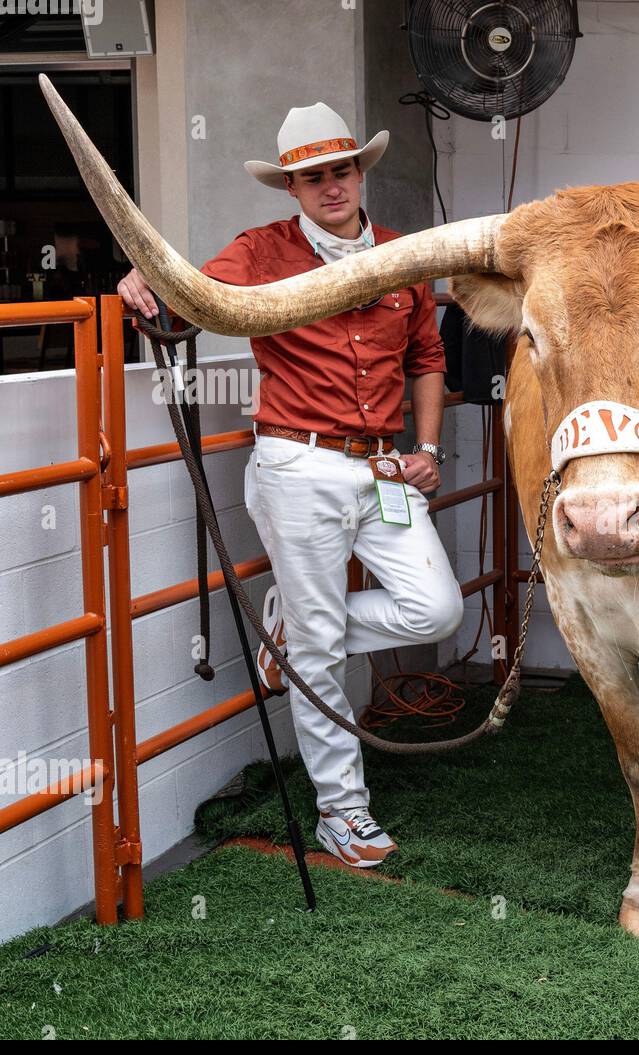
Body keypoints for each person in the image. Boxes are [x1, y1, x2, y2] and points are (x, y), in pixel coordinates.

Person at [118, 102, 463, 868]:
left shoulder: (404, 254)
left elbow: (428, 358)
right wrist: (145, 277)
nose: (330, 186)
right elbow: (192, 295)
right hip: (296, 462)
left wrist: (429, 445)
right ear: (292, 188)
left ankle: (300, 634)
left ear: (358, 172)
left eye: (341, 169)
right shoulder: (259, 250)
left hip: (381, 464)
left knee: (434, 608)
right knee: (321, 647)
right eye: (312, 177)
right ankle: (344, 813)